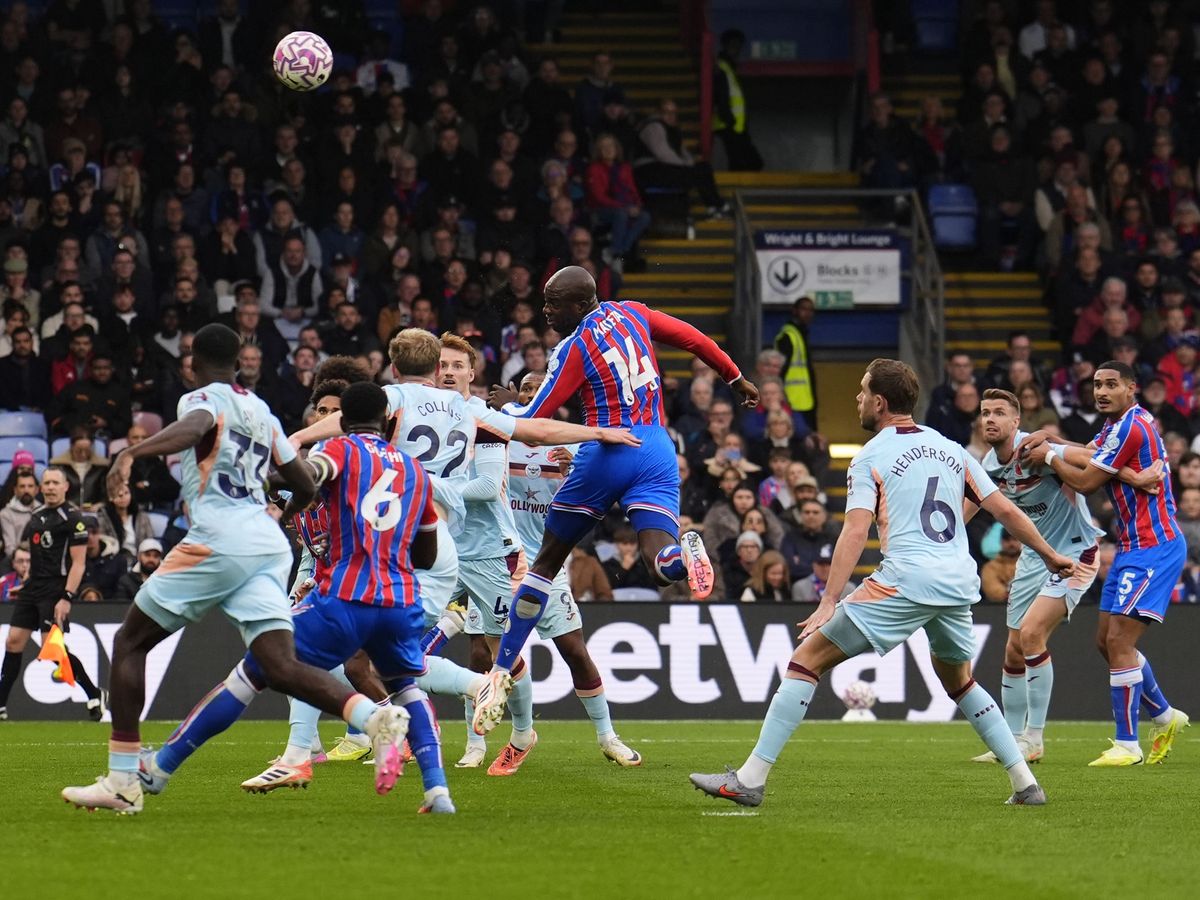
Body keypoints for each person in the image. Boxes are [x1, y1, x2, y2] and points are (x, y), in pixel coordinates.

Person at [690, 358, 1074, 807]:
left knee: (806, 660)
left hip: (907, 578)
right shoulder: (951, 448)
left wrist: (829, 599)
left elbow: (855, 530)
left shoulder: (870, 455)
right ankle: (1025, 784)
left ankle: (750, 779)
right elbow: (1005, 510)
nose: (856, 398)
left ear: (879, 401)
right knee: (960, 680)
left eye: (861, 391)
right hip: (956, 581)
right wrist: (1050, 555)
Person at [61, 324, 411, 815]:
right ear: (240, 362)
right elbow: (303, 484)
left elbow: (196, 425)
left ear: (192, 361)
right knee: (280, 666)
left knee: (129, 642)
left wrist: (132, 451)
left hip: (218, 537)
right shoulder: (262, 411)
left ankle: (122, 778)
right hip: (267, 545)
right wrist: (276, 516)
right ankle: (375, 718)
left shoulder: (200, 399)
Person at [472, 265, 759, 734]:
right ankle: (683, 554)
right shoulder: (634, 313)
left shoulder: (573, 347)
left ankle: (502, 669)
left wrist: (505, 404)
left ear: (582, 304)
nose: (546, 310)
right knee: (658, 564)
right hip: (658, 448)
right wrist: (733, 377)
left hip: (609, 449)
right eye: (544, 301)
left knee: (543, 563)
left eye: (555, 303)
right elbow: (694, 338)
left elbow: (537, 419)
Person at [143, 382, 452, 811]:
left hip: (346, 597)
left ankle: (158, 767)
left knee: (253, 672)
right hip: (400, 602)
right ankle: (437, 791)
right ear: (389, 420)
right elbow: (427, 554)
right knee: (404, 687)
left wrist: (260, 482)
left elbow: (308, 477)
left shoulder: (343, 450)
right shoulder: (416, 472)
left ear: (342, 422)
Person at [459, 365, 641, 770]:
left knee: (573, 648)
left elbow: (602, 503)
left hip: (547, 561)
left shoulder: (577, 446)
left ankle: (607, 736)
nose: (530, 394)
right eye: (524, 388)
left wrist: (572, 476)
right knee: (481, 652)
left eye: (539, 389)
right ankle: (476, 742)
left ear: (556, 396)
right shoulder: (497, 435)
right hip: (496, 555)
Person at [1017, 361, 1190, 766]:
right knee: (1105, 643)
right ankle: (1165, 716)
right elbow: (1092, 454)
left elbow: (1086, 480)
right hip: (1131, 547)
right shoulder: (1118, 426)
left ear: (1132, 388)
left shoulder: (1131, 426)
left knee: (1119, 642)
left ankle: (1127, 745)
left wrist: (1048, 456)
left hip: (1155, 546)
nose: (1102, 391)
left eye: (1112, 384)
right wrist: (1053, 438)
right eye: (1097, 385)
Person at [974, 388, 1128, 762]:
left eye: (998, 413)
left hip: (1076, 554)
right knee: (1012, 649)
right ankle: (1009, 741)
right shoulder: (988, 464)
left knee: (1031, 635)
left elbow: (1094, 458)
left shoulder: (1036, 451)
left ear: (1016, 421)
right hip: (1035, 557)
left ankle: (1035, 739)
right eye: (984, 413)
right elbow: (973, 500)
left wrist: (1056, 447)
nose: (990, 419)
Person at [0, 467, 105, 721]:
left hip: (55, 589)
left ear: (65, 487)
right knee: (13, 640)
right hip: (33, 587)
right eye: (45, 482)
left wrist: (67, 596)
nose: (49, 487)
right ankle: (1, 705)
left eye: (54, 483)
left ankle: (94, 693)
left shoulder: (73, 518)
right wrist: (25, 584)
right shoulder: (36, 515)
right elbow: (37, 558)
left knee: (53, 649)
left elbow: (78, 563)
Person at [712, 29, 762, 171]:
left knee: (743, 163)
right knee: (744, 163)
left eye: (738, 45)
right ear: (726, 46)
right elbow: (721, 95)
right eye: (733, 45)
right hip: (729, 125)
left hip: (736, 126)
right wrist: (729, 119)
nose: (737, 49)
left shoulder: (729, 69)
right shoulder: (722, 67)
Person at [774, 296, 816, 429]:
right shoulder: (788, 336)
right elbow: (780, 371)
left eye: (810, 310)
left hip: (805, 399)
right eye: (804, 309)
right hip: (791, 400)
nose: (808, 313)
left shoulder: (801, 333)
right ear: (794, 310)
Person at [791, 543, 856, 604]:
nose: (825, 568)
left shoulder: (848, 589)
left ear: (836, 565)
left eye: (828, 564)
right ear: (813, 565)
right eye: (821, 564)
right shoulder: (800, 587)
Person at [0, 463, 39, 563]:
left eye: (30, 486)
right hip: (18, 561)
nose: (26, 490)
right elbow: (10, 548)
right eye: (22, 486)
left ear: (37, 490)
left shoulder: (45, 511)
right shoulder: (6, 514)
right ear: (15, 490)